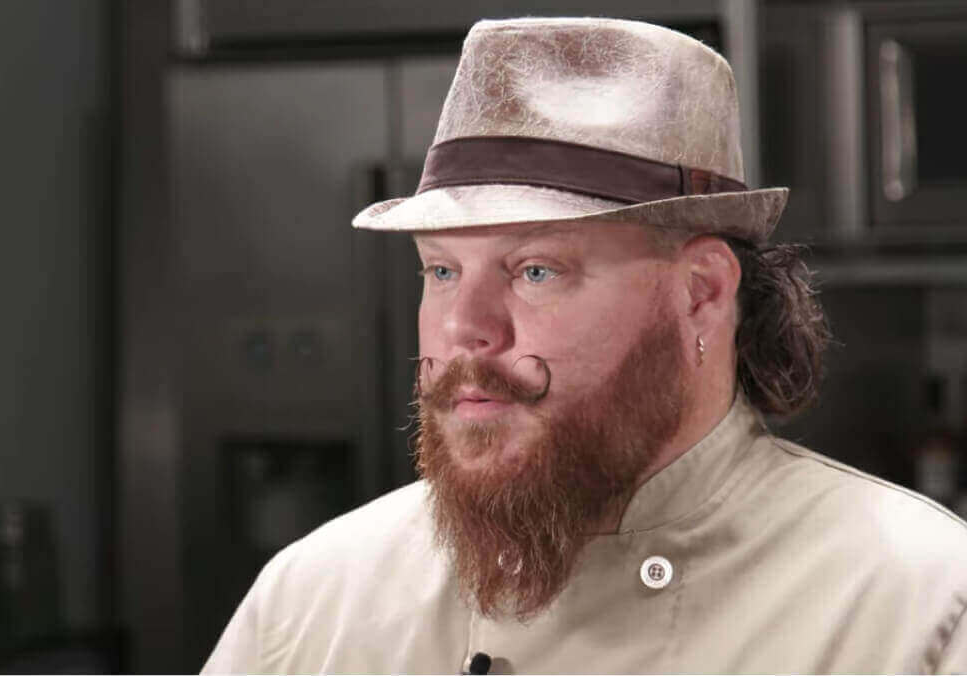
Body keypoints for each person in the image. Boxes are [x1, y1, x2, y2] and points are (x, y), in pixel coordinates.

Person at [202, 17, 967, 673]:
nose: (466, 327)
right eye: (440, 269)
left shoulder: (917, 604)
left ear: (701, 290)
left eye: (536, 270)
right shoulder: (313, 600)